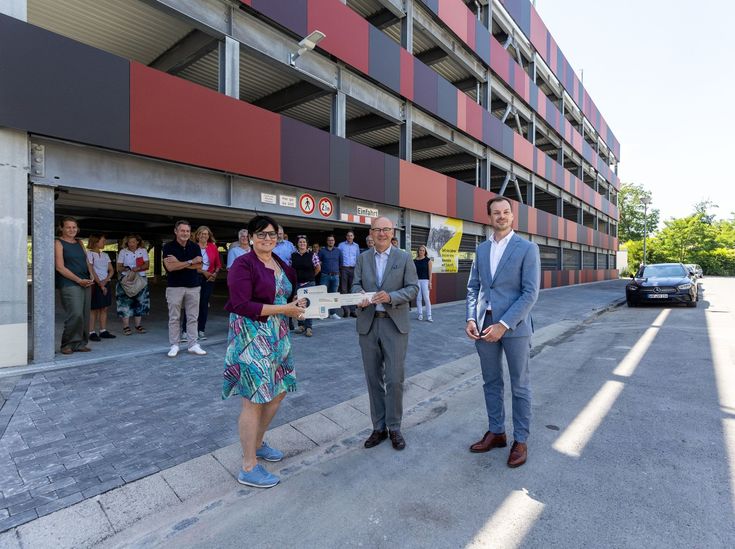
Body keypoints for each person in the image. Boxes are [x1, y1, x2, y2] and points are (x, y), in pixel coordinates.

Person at [223, 215, 306, 488]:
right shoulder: (242, 264)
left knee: (280, 389)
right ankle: (248, 466)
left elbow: (283, 295)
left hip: (278, 334)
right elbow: (242, 303)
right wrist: (286, 309)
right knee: (253, 399)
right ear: (249, 237)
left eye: (272, 234)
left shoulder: (278, 261)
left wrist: (299, 307)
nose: (267, 239)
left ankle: (257, 443)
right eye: (261, 235)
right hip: (251, 336)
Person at [465, 197, 540, 468]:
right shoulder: (481, 249)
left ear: (512, 216)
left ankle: (520, 439)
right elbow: (474, 288)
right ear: (489, 217)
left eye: (506, 212)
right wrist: (471, 318)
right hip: (483, 327)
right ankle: (496, 432)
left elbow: (530, 292)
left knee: (520, 385)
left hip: (515, 328)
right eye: (496, 213)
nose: (502, 216)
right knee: (491, 382)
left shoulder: (527, 248)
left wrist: (503, 324)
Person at [353, 217, 418, 451]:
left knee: (394, 379)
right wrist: (358, 294)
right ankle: (378, 427)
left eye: (386, 229)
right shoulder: (362, 258)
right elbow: (354, 285)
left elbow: (413, 289)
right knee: (373, 379)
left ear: (392, 233)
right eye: (377, 229)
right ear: (371, 233)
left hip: (394, 325)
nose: (381, 233)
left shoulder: (404, 257)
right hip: (368, 325)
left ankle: (395, 426)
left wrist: (391, 297)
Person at [163, 220, 206, 357]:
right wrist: (190, 262)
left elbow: (199, 267)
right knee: (174, 317)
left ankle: (193, 344)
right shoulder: (168, 247)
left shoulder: (195, 247)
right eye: (182, 231)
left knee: (193, 316)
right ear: (176, 231)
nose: (185, 233)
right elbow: (170, 267)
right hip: (174, 286)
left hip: (193, 286)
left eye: (187, 231)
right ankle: (174, 345)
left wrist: (179, 263)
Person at [54, 217, 95, 354]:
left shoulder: (79, 243)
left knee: (84, 314)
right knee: (75, 314)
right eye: (68, 227)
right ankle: (67, 344)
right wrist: (78, 280)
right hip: (69, 283)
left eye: (74, 227)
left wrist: (91, 274)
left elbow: (87, 261)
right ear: (62, 228)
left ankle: (80, 343)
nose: (72, 230)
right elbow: (60, 267)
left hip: (86, 282)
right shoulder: (58, 243)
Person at [183, 226, 222, 341]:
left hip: (209, 279)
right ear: (197, 235)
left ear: (209, 236)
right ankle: (185, 331)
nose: (204, 236)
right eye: (202, 234)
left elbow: (218, 264)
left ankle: (201, 330)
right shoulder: (191, 247)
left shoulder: (213, 247)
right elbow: (189, 265)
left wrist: (215, 273)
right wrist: (203, 272)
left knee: (204, 305)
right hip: (194, 277)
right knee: (191, 304)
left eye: (206, 234)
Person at [116, 234, 150, 336]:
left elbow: (147, 264)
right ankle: (126, 327)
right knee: (125, 302)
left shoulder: (143, 251)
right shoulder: (123, 252)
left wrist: (138, 268)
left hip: (140, 279)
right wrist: (127, 268)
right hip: (127, 280)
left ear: (138, 242)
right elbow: (119, 267)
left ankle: (138, 325)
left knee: (140, 302)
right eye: (129, 242)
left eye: (133, 242)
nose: (131, 244)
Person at [86, 234, 116, 341]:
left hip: (105, 283)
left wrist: (105, 281)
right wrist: (100, 284)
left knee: (104, 308)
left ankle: (103, 330)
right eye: (103, 241)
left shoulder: (105, 255)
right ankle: (91, 332)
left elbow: (111, 270)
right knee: (93, 309)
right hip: (95, 284)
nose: (104, 243)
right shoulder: (89, 254)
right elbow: (91, 270)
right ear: (95, 241)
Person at [290, 235, 321, 337]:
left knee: (309, 305)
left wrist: (310, 276)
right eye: (300, 242)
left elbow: (318, 268)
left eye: (304, 242)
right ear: (297, 244)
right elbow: (291, 269)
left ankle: (308, 327)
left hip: (309, 283)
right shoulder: (293, 255)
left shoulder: (313, 255)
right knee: (299, 305)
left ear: (307, 244)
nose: (302, 244)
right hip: (297, 284)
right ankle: (301, 325)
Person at [318, 235, 342, 319]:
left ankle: (333, 313)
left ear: (334, 241)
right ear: (327, 241)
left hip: (335, 276)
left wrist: (338, 273)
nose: (331, 241)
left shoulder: (338, 251)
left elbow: (340, 263)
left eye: (332, 240)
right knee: (323, 295)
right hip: (325, 275)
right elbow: (318, 263)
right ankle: (322, 313)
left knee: (334, 295)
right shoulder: (322, 251)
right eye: (329, 240)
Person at [338, 230, 360, 318]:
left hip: (353, 269)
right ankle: (345, 310)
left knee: (353, 289)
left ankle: (353, 310)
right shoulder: (341, 245)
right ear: (346, 237)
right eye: (348, 235)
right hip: (344, 269)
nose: (349, 237)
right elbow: (338, 257)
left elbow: (358, 258)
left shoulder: (356, 246)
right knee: (343, 290)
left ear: (353, 237)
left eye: (351, 235)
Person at [413, 244, 433, 322]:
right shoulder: (414, 260)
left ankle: (429, 316)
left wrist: (430, 283)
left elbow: (430, 272)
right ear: (418, 251)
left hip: (425, 281)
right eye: (420, 250)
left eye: (423, 250)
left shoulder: (428, 260)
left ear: (425, 252)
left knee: (426, 298)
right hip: (417, 281)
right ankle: (420, 314)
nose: (421, 251)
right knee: (418, 298)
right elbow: (413, 272)